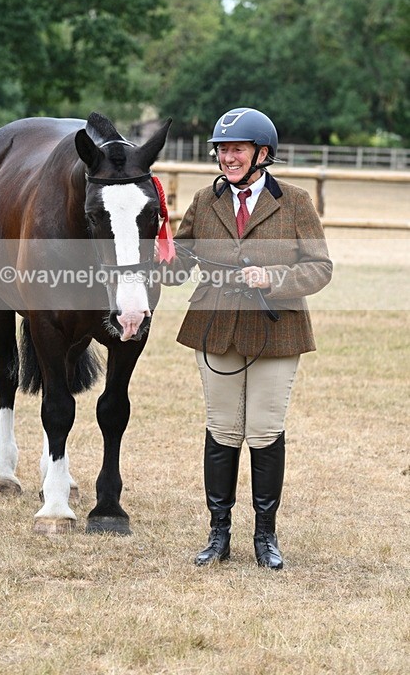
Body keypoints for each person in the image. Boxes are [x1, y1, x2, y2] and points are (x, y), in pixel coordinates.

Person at [164, 107, 332, 569]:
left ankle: (265, 536)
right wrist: (160, 252)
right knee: (222, 430)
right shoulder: (204, 199)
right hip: (213, 326)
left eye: (236, 149)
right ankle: (218, 535)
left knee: (263, 430)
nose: (227, 158)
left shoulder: (295, 201)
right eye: (221, 150)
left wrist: (273, 275)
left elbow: (320, 268)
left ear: (263, 153)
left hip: (276, 330)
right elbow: (180, 264)